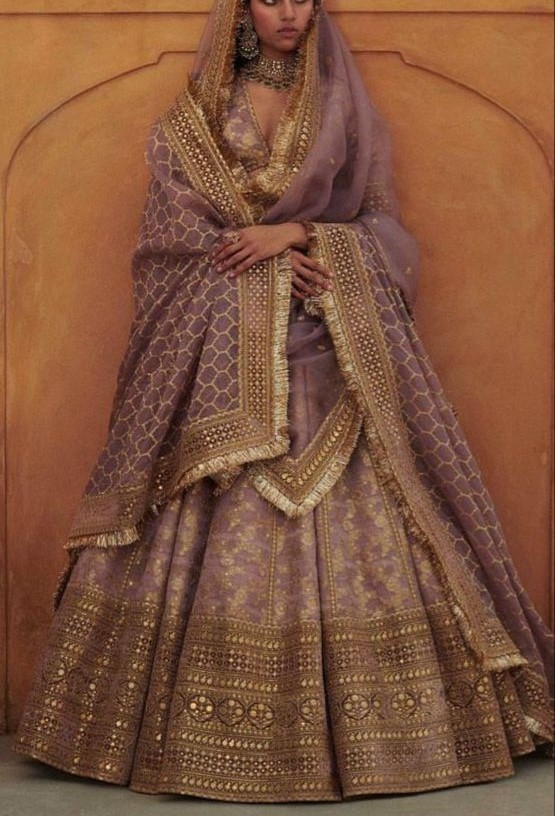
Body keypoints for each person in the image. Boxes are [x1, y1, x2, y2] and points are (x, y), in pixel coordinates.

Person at [12, 0, 554, 804]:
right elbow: (165, 243)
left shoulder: (341, 111)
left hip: (330, 348)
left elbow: (384, 229)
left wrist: (302, 235)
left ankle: (386, 740)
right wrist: (254, 259)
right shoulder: (192, 120)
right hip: (216, 361)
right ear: (241, 10)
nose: (289, 12)